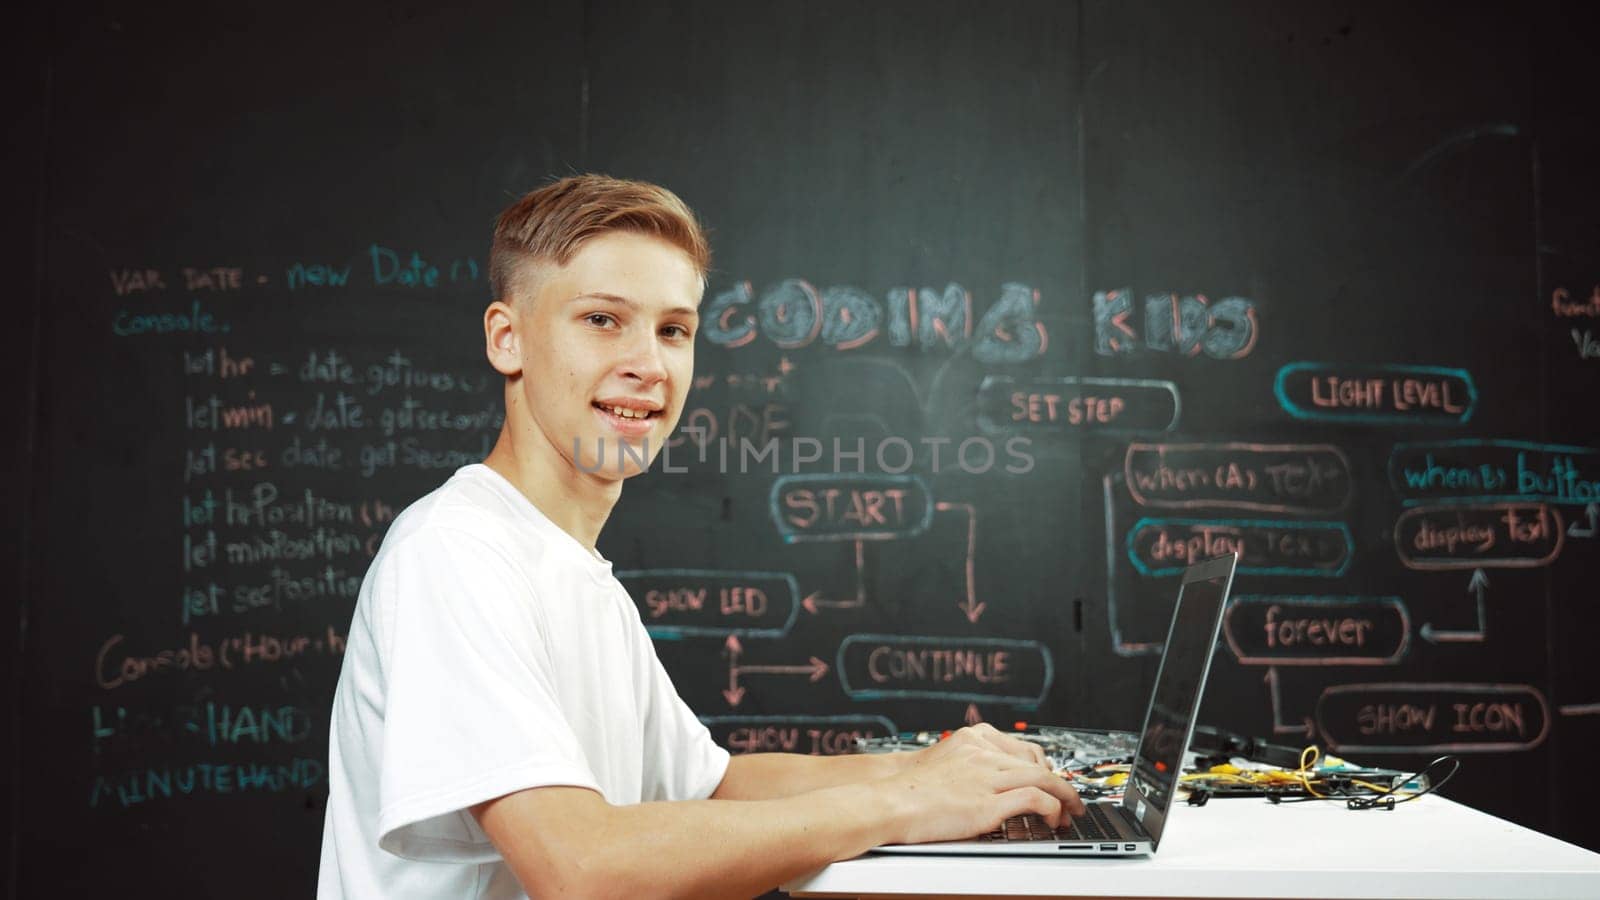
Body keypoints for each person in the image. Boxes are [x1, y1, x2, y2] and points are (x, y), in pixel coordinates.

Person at [317, 174, 1083, 898]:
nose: (648, 365)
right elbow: (578, 868)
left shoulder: (571, 570)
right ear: (506, 339)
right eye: (602, 320)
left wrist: (932, 770)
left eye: (673, 330)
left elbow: (715, 786)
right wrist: (908, 805)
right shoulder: (456, 552)